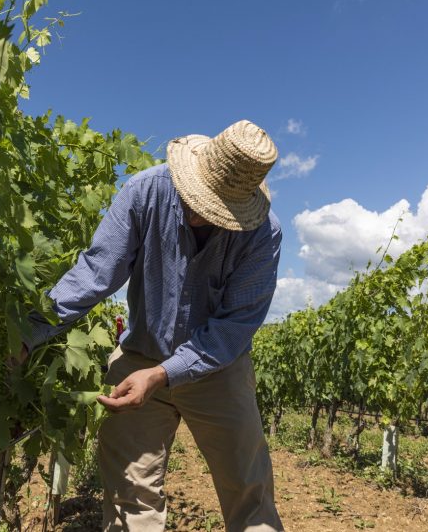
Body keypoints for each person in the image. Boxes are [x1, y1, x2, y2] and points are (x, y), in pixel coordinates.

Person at [26, 119, 284, 531]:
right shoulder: (145, 192)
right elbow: (95, 274)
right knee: (129, 495)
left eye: (215, 210)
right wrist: (30, 333)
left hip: (217, 367)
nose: (199, 213)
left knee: (248, 494)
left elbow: (234, 327)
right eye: (196, 200)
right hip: (140, 354)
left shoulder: (262, 235)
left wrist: (164, 374)